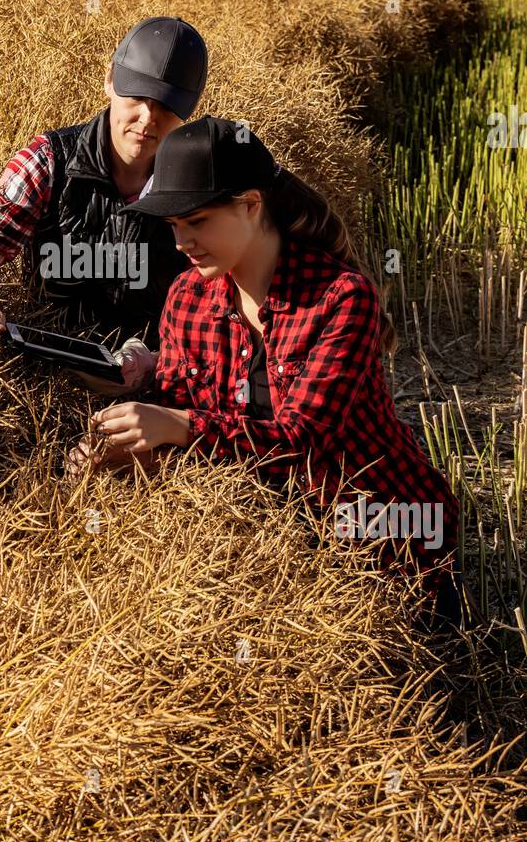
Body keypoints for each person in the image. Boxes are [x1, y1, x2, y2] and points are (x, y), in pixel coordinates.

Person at [68, 115, 468, 632]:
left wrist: (181, 425)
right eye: (173, 226)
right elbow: (177, 435)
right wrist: (119, 453)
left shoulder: (341, 300)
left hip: (387, 538)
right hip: (276, 533)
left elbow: (303, 443)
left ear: (252, 204)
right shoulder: (186, 298)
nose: (181, 242)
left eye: (197, 221)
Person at [0, 16, 208, 391]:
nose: (148, 119)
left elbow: (228, 300)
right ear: (109, 80)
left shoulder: (200, 185)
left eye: (167, 106)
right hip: (42, 382)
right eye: (137, 96)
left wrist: (158, 361)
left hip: (158, 386)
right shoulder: (46, 161)